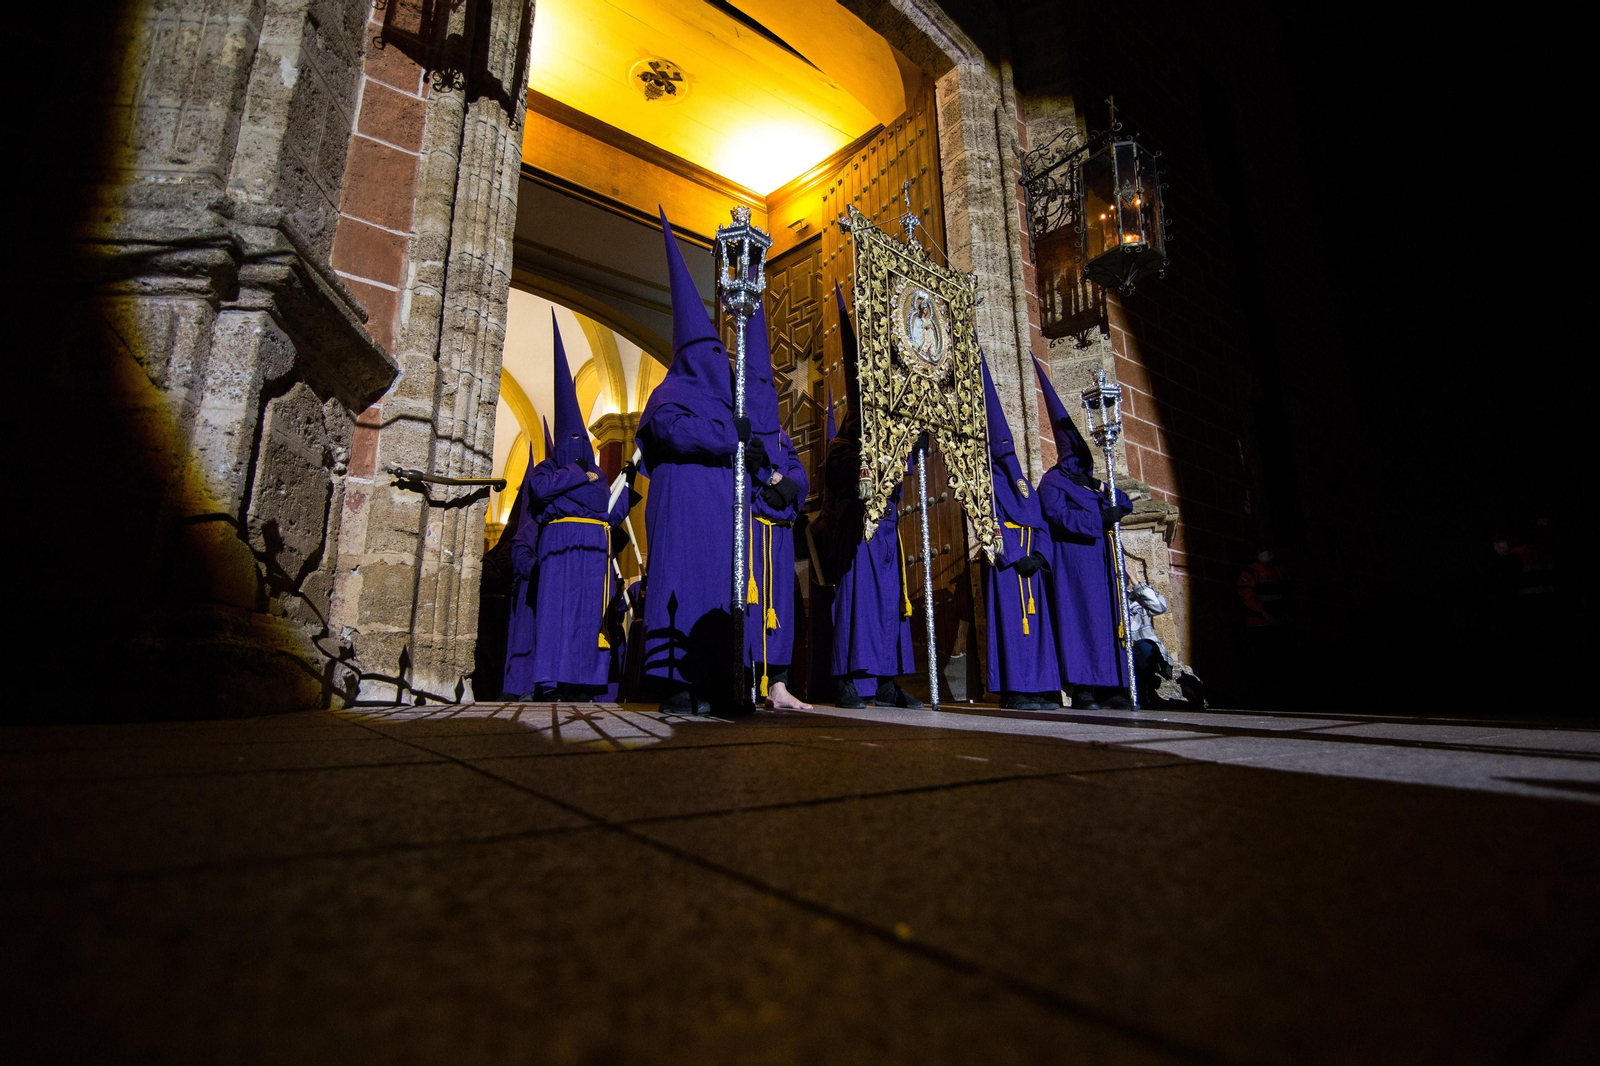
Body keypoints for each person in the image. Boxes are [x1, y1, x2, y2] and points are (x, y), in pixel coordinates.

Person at [636, 212, 745, 715]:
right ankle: (674, 680)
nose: (716, 363)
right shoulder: (669, 392)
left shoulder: (728, 405)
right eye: (707, 353)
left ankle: (716, 678)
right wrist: (728, 437)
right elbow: (667, 431)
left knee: (716, 590)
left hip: (720, 510)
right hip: (683, 508)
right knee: (680, 582)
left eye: (719, 353)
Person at [818, 285, 920, 709]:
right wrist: (868, 453)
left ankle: (884, 681)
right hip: (855, 536)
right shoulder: (842, 448)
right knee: (857, 608)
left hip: (886, 536)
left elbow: (898, 478)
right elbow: (857, 485)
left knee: (885, 609)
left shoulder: (887, 441)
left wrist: (910, 444)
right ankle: (847, 680)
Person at [525, 315, 631, 701]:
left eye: (578, 439)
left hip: (592, 553)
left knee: (587, 618)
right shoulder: (555, 468)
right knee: (557, 616)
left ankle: (584, 679)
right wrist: (573, 477)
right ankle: (552, 681)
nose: (575, 445)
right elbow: (538, 491)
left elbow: (601, 504)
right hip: (558, 549)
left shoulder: (597, 474)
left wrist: (576, 489)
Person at [1032, 356, 1134, 710]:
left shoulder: (1090, 483)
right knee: (1082, 621)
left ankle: (1113, 686)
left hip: (1101, 562)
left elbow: (1124, 502)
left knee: (1107, 621)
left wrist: (1096, 483)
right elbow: (1055, 515)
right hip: (1075, 564)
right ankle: (1085, 687)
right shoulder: (1052, 481)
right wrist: (1098, 521)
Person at [978, 356, 1061, 710]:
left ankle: (1040, 686)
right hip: (1009, 565)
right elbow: (988, 521)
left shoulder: (1023, 483)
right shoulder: (986, 484)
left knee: (1038, 630)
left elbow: (1040, 521)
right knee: (1012, 627)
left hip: (1032, 564)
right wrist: (1014, 554)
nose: (1007, 449)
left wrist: (1040, 555)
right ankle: (1015, 690)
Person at [742, 303, 812, 709]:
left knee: (778, 607)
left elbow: (797, 482)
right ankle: (747, 684)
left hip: (779, 538)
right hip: (750, 531)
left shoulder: (783, 437)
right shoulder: (738, 428)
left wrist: (769, 478)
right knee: (749, 606)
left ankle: (778, 687)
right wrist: (772, 485)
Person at [501, 444, 546, 701]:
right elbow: (520, 552)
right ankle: (522, 685)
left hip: (550, 593)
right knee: (526, 640)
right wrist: (538, 569)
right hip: (530, 594)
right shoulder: (530, 526)